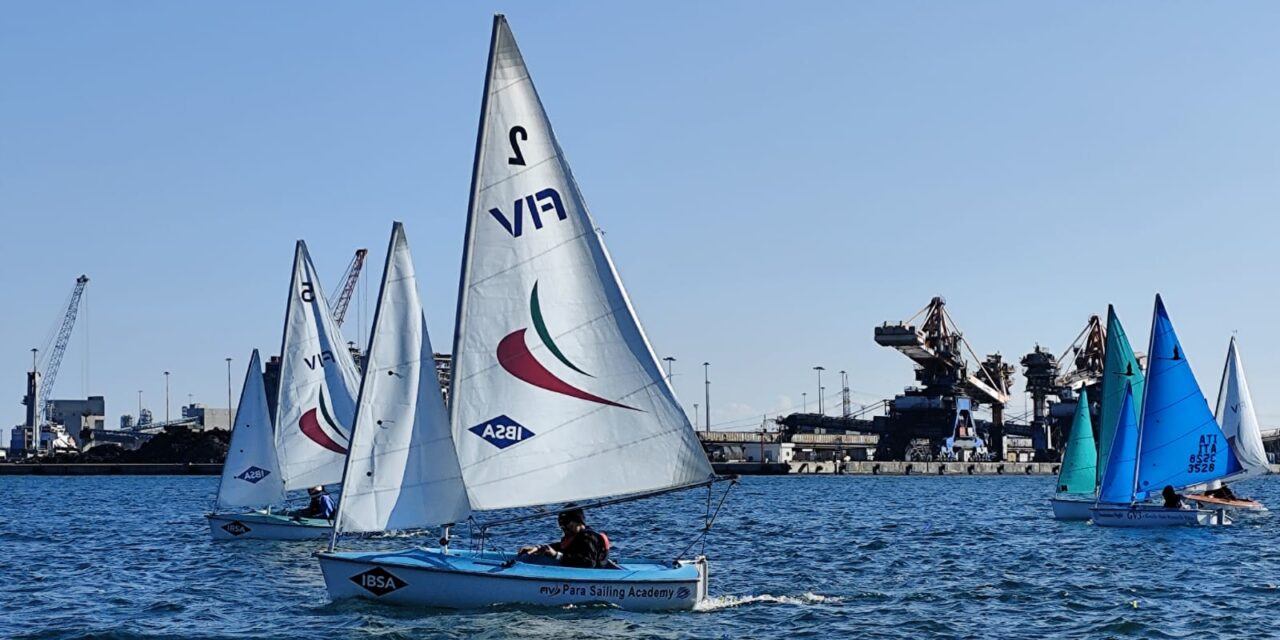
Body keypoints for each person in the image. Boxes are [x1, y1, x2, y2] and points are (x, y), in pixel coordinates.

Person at [518, 508, 612, 569]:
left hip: (593, 580)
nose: (564, 528)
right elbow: (561, 547)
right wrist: (539, 548)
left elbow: (588, 563)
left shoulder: (589, 538)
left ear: (578, 522)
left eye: (567, 524)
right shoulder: (576, 537)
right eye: (561, 525)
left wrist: (557, 555)